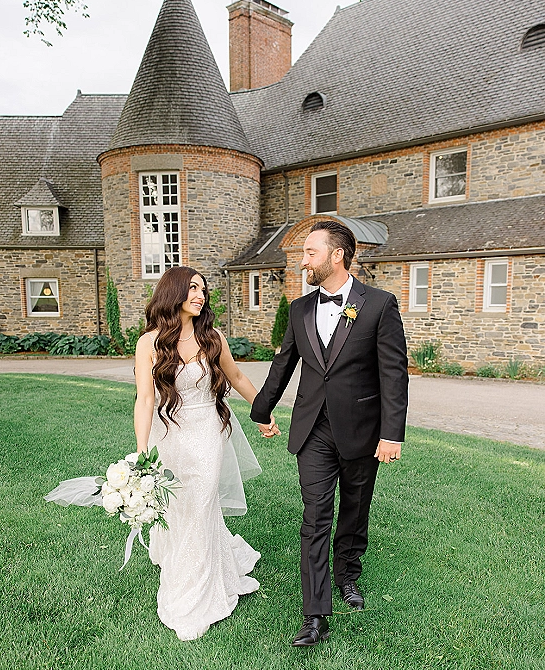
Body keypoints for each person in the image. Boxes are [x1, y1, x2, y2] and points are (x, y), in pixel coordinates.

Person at [251, 220, 408, 647]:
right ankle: (315, 614)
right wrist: (260, 409)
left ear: (337, 256)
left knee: (355, 510)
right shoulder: (300, 309)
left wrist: (392, 434)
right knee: (315, 516)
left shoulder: (378, 305)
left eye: (310, 253)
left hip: (361, 429)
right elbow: (283, 365)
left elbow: (393, 376)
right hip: (312, 430)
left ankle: (348, 575)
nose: (303, 261)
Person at [135, 266, 272, 642]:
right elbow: (145, 399)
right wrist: (142, 449)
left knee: (201, 503)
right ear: (173, 293)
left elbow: (239, 378)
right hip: (170, 436)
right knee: (181, 508)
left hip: (208, 432)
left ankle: (192, 596)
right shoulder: (149, 342)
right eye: (193, 288)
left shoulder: (212, 337)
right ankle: (190, 561)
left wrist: (263, 412)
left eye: (203, 290)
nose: (201, 295)